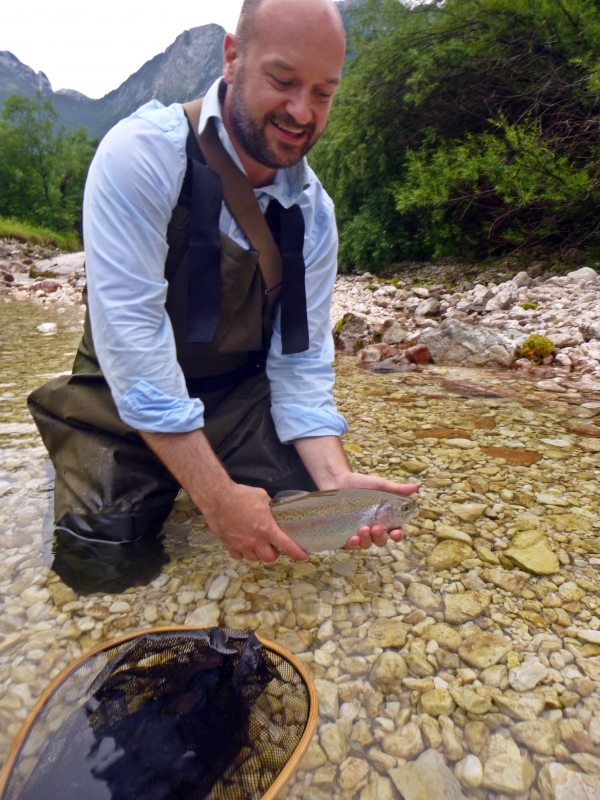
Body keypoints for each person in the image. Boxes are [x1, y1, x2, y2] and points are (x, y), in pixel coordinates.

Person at [28, 0, 417, 564]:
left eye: (323, 93)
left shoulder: (315, 215)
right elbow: (134, 349)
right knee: (103, 561)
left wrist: (337, 483)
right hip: (116, 398)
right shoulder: (139, 156)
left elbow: (299, 363)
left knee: (305, 522)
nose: (302, 111)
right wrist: (216, 498)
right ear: (233, 58)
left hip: (235, 401)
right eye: (283, 80)